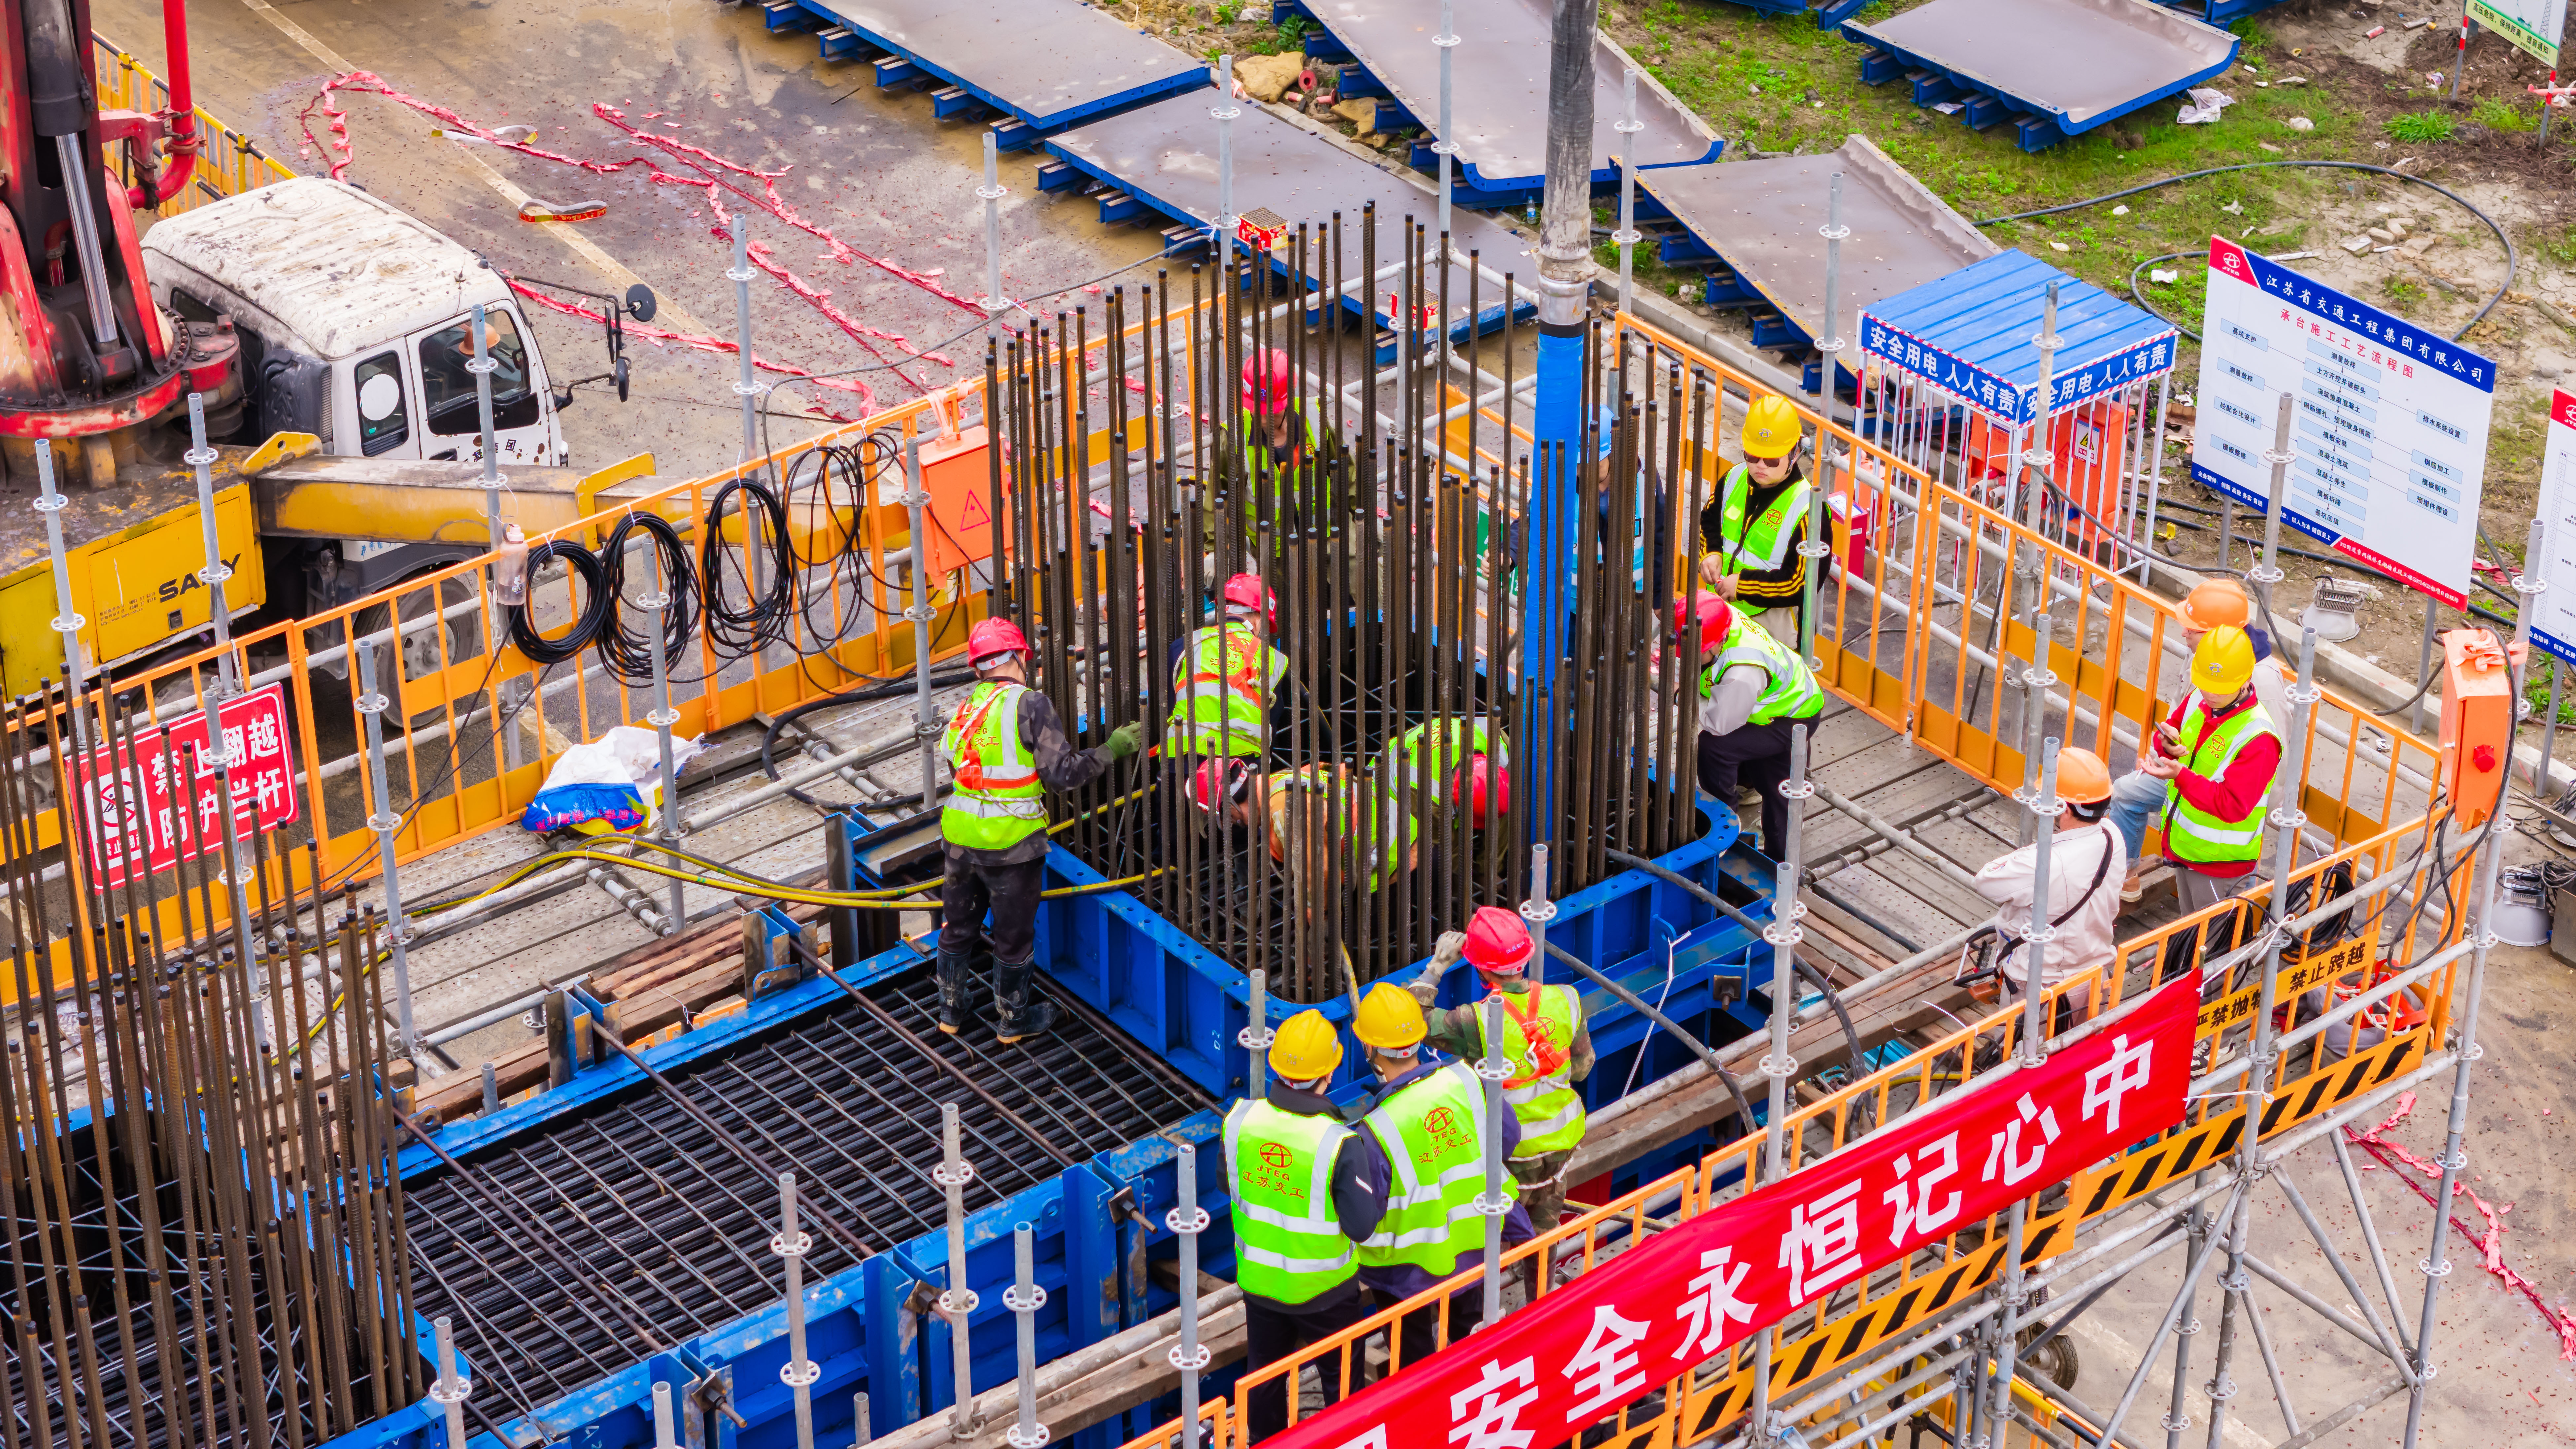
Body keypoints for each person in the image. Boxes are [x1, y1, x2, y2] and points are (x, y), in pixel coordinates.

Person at [937, 618, 1142, 1040]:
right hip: (1011, 845)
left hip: (959, 840)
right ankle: (1013, 1022)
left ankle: (950, 1012)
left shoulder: (965, 710)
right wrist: (1110, 750)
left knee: (958, 928)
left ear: (977, 668)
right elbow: (1063, 774)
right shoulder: (1029, 704)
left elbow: (959, 767)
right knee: (1013, 938)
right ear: (1019, 657)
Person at [1221, 1010, 1388, 1441]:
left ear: (1275, 1066)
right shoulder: (1337, 1141)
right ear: (1328, 1075)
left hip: (1260, 1285)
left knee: (1264, 1382)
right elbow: (1362, 1226)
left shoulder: (1240, 1121)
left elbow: (1229, 1183)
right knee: (1343, 1389)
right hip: (1325, 1292)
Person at [1349, 982, 1534, 1365]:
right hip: (1477, 1239)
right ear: (1419, 1038)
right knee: (1475, 1336)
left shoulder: (1375, 1130)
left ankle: (1420, 1393)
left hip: (1405, 1271)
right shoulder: (1467, 1081)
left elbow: (1367, 1213)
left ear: (1369, 1048)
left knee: (1411, 1356)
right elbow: (1507, 1137)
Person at [1407, 906, 1592, 1229]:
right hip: (1562, 1145)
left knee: (1500, 1235)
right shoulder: (1567, 999)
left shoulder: (1476, 1021)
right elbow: (1582, 1068)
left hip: (1508, 1155)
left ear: (1481, 969)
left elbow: (1412, 1019)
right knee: (1543, 1237)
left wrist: (1437, 965)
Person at [2109, 579, 2289, 900]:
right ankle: (2125, 876)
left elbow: (2264, 771)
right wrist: (2167, 748)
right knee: (2126, 793)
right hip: (2189, 796)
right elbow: (2182, 719)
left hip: (2219, 827)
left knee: (2215, 922)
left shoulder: (2259, 683)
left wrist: (2258, 815)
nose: (2184, 633)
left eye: (2193, 628)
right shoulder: (2209, 665)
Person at [1970, 747, 2126, 1032]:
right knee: (2088, 1045)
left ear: (2064, 809)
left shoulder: (2039, 862)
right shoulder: (2112, 836)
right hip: (2094, 976)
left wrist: (2037, 849)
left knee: (2026, 1050)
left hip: (2041, 987)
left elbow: (1986, 880)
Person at [2135, 626, 2282, 916]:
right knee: (2190, 933)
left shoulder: (2260, 739)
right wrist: (2166, 743)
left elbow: (2233, 805)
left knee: (2211, 942)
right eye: (2205, 684)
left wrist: (2180, 776)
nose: (2211, 694)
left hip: (2220, 865)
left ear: (2246, 680)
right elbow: (2170, 731)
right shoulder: (2198, 700)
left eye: (2221, 687)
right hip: (2185, 848)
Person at [1681, 594, 1826, 860]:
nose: (1689, 657)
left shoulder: (1742, 673)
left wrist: (1684, 700)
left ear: (1716, 643)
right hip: (1781, 701)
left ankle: (1726, 830)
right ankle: (1772, 843)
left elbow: (1719, 724)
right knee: (1773, 780)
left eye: (1696, 651)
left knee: (1715, 750)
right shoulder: (1723, 617)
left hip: (1791, 718)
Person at [1698, 392, 1815, 645]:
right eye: (1752, 456)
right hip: (1721, 612)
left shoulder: (1808, 509)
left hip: (1771, 627)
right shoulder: (1734, 478)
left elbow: (1801, 583)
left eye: (1772, 459)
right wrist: (1711, 554)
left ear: (1795, 453)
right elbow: (1709, 520)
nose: (1760, 466)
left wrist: (1743, 586)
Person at [1168, 573, 1294, 761]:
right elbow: (1272, 722)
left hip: (1181, 758)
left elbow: (1171, 705)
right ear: (1259, 618)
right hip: (1241, 764)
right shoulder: (1274, 659)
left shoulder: (1183, 646)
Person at [1240, 348, 1336, 525]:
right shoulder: (1234, 438)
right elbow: (1214, 513)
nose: (1263, 420)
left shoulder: (1314, 419)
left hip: (1324, 538)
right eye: (1256, 410)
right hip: (1269, 544)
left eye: (1271, 411)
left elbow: (1348, 477)